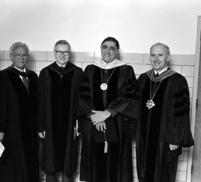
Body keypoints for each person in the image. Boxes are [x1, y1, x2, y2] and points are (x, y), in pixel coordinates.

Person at [78, 37, 138, 182]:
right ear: (101, 49)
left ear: (117, 51)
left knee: (116, 166)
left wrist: (107, 113)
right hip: (94, 125)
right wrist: (94, 116)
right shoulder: (90, 69)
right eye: (105, 47)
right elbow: (82, 97)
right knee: (95, 163)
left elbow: (130, 97)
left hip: (117, 125)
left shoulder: (126, 70)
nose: (108, 51)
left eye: (112, 48)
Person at [136, 42, 194, 182]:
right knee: (144, 170)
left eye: (160, 55)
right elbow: (135, 107)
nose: (156, 59)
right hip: (144, 137)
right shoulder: (143, 79)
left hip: (166, 138)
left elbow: (182, 112)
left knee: (164, 174)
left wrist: (176, 138)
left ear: (168, 58)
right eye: (153, 55)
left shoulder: (177, 80)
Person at [0, 42, 39, 182]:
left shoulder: (33, 76)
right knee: (12, 164)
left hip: (30, 130)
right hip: (12, 129)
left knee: (30, 162)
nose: (21, 58)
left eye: (25, 55)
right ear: (11, 56)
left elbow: (37, 103)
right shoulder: (2, 76)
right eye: (18, 55)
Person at [38, 40, 83, 182]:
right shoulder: (46, 73)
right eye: (59, 52)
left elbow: (81, 101)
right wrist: (41, 125)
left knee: (67, 164)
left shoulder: (77, 73)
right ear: (54, 53)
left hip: (70, 125)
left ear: (69, 54)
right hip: (50, 125)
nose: (62, 55)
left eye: (65, 52)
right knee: (50, 162)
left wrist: (79, 124)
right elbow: (41, 102)